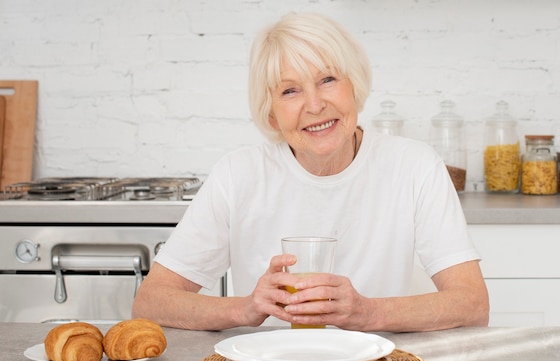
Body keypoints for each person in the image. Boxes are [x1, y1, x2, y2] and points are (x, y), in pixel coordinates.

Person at [132, 12, 489, 332]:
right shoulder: (237, 175)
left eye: (328, 80)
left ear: (355, 86)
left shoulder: (415, 167)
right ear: (271, 113)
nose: (315, 105)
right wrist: (246, 308)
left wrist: (368, 313)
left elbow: (472, 303)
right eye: (290, 91)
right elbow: (150, 302)